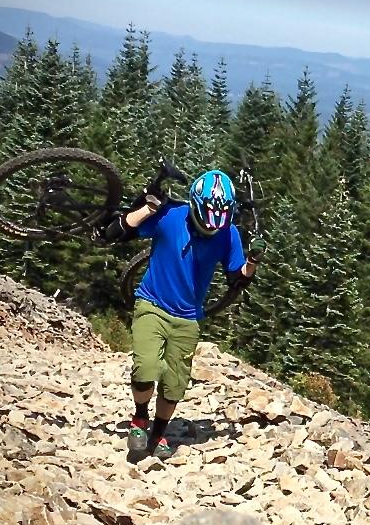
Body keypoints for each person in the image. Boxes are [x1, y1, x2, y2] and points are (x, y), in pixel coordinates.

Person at [105, 169, 262, 458]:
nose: (211, 227)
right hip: (151, 303)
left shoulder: (229, 235)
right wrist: (147, 208)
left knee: (174, 384)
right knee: (145, 367)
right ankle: (140, 418)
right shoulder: (170, 216)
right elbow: (117, 231)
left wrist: (251, 262)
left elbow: (235, 279)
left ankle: (158, 434)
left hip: (188, 317)